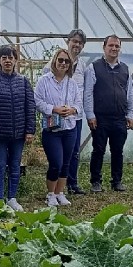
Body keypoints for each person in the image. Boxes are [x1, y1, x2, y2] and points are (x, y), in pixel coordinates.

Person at [0, 45, 36, 211]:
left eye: (11, 57)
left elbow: (30, 106)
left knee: (15, 167)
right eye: (4, 57)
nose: (8, 61)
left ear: (15, 60)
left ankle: (12, 198)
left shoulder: (23, 81)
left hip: (18, 134)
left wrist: (30, 130)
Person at [83, 34, 133, 192]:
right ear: (104, 47)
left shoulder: (125, 69)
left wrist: (130, 114)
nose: (114, 49)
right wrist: (90, 115)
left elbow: (129, 93)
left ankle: (117, 181)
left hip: (119, 118)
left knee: (117, 151)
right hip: (100, 118)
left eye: (117, 46)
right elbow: (88, 93)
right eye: (111, 46)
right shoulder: (94, 67)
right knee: (98, 149)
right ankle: (96, 181)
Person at [41, 29, 88, 195]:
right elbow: (43, 93)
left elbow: (83, 93)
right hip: (54, 119)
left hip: (75, 117)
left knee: (73, 153)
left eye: (80, 43)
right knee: (57, 157)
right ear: (68, 42)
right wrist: (54, 109)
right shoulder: (49, 68)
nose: (77, 45)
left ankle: (71, 184)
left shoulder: (82, 66)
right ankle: (53, 191)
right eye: (74, 41)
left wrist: (75, 110)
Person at [35, 49, 82, 206]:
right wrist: (53, 109)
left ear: (69, 65)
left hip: (69, 128)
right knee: (56, 162)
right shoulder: (44, 81)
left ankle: (59, 193)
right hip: (51, 129)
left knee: (66, 163)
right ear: (54, 61)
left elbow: (78, 104)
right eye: (60, 60)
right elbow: (38, 101)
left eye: (66, 61)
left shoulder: (72, 83)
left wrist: (72, 110)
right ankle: (50, 194)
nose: (63, 63)